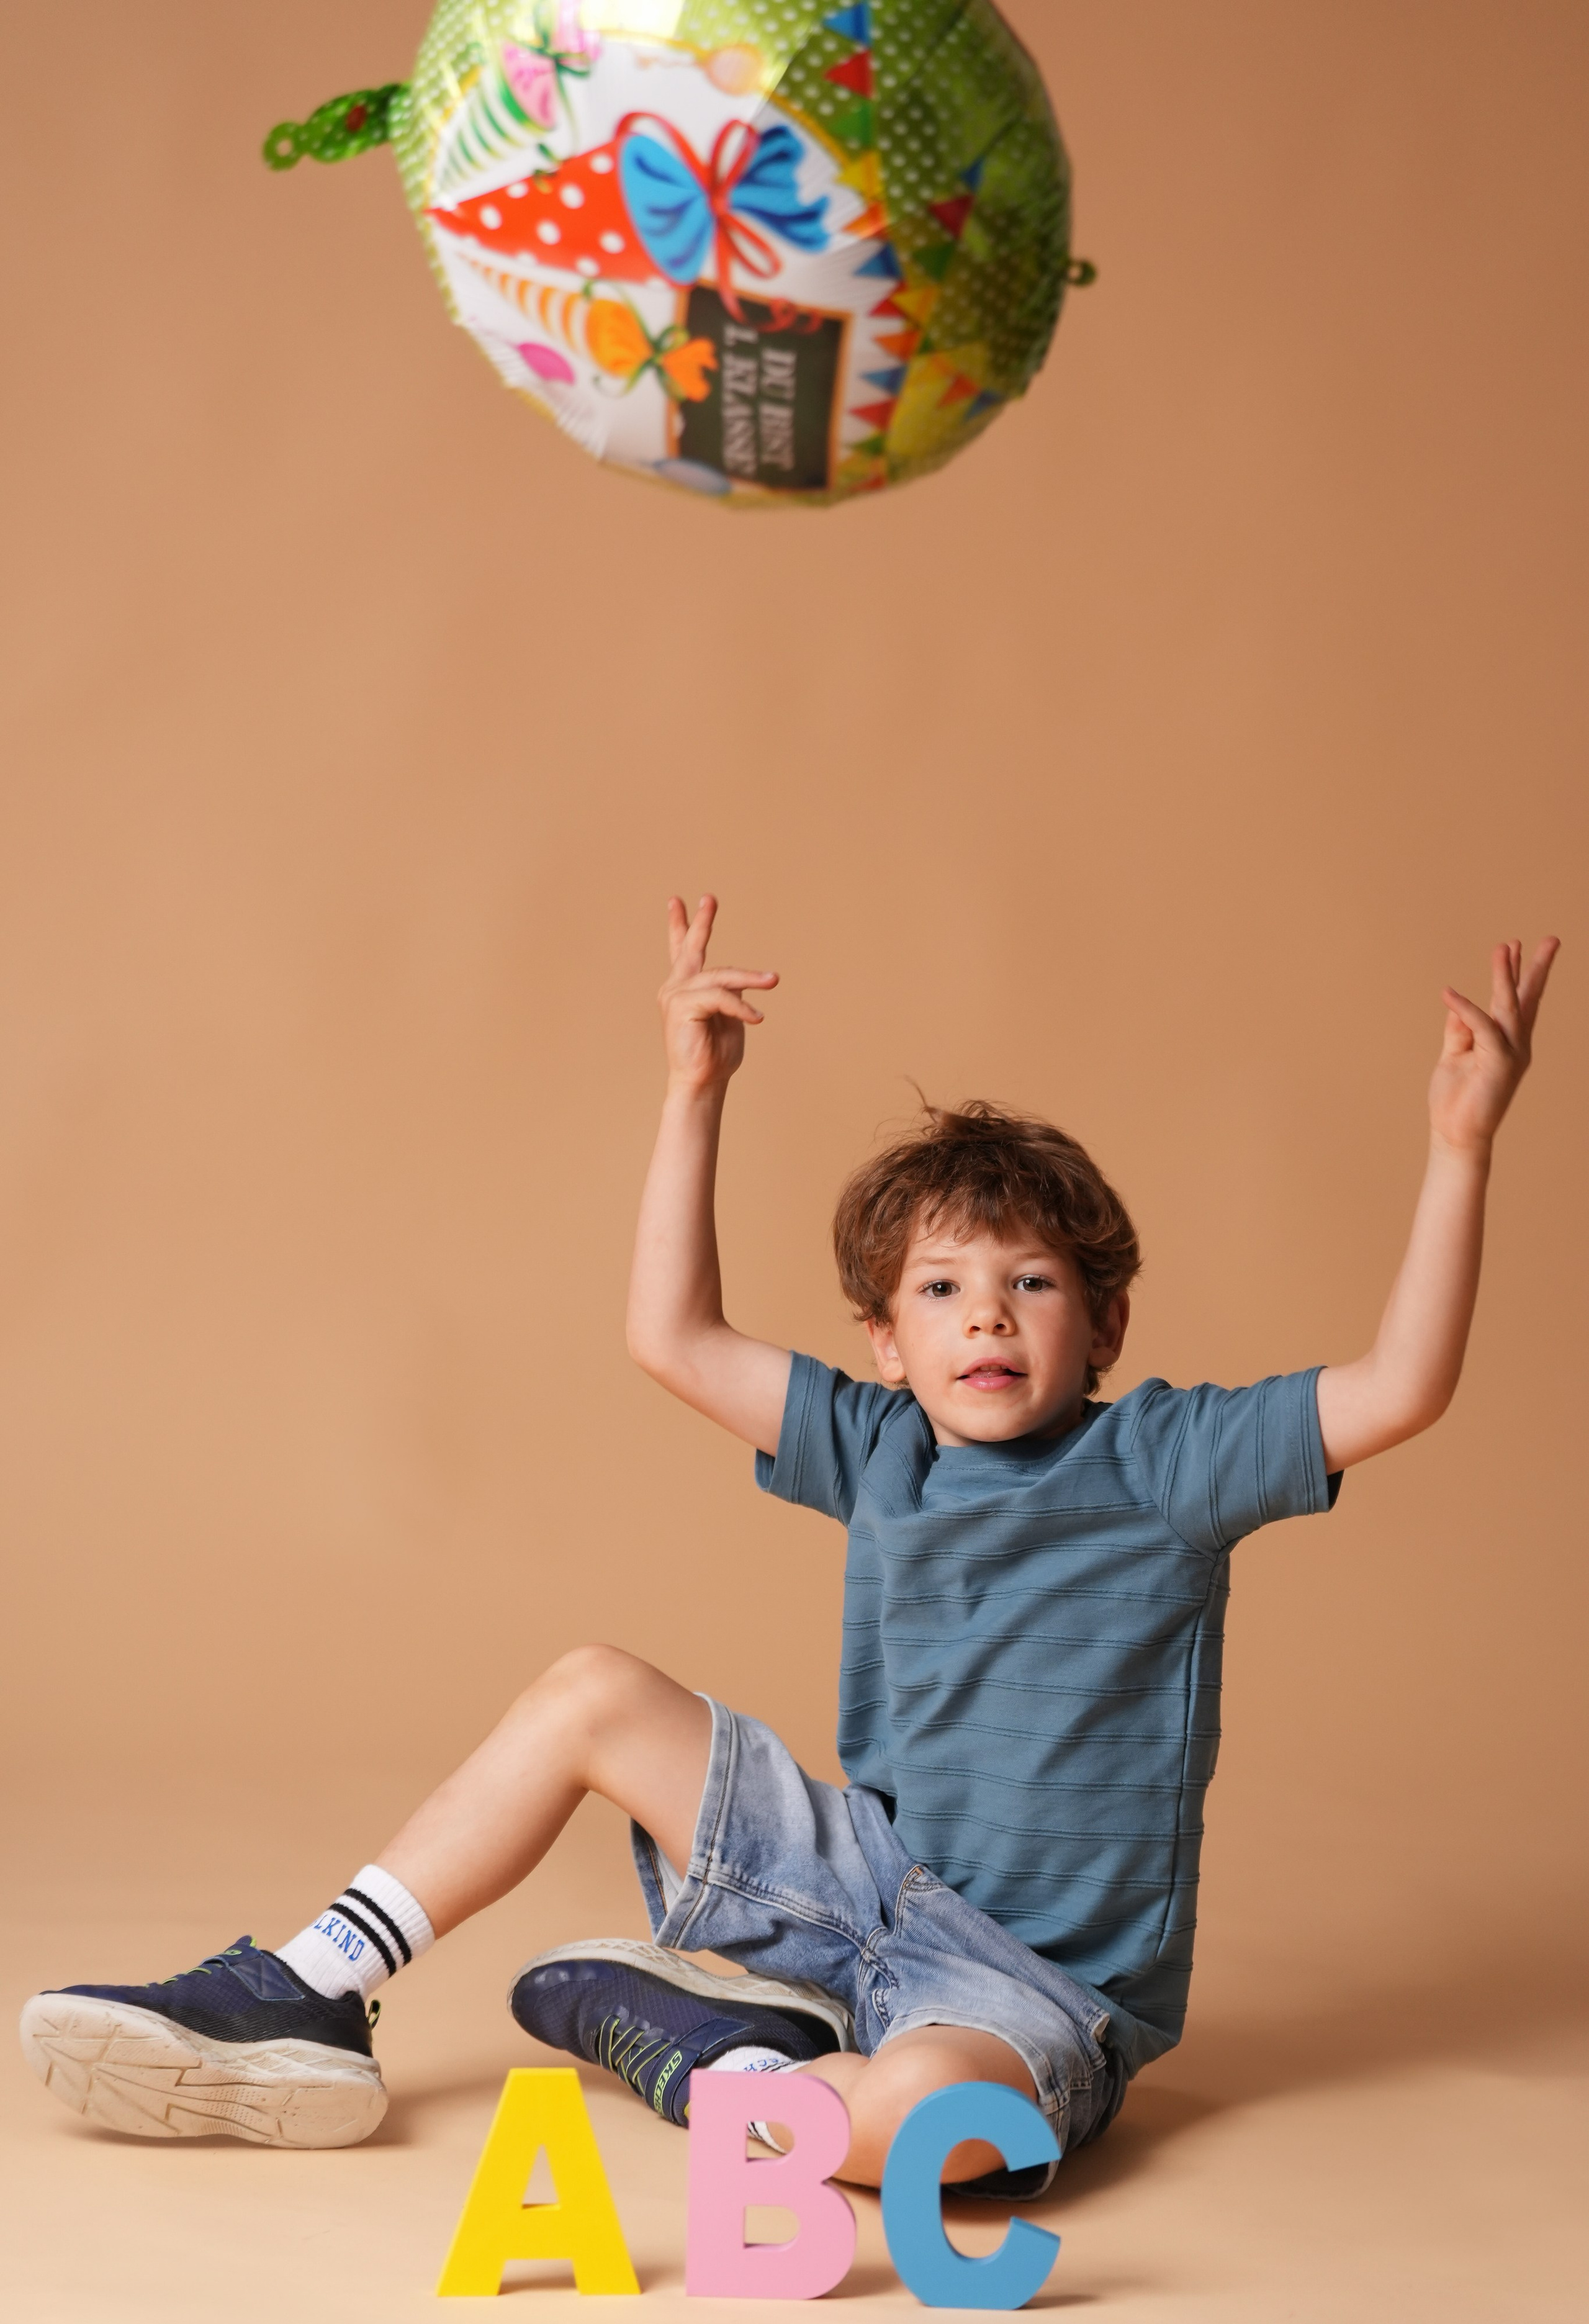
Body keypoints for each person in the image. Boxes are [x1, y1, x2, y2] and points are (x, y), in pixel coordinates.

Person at [20, 903, 1558, 2194]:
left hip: (1025, 1989)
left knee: (935, 2135)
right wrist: (693, 1094)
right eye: (943, 1292)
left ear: (1103, 1325)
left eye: (1030, 1284)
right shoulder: (879, 1447)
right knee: (586, 1690)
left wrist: (1459, 1148)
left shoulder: (1167, 1461)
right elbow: (669, 1333)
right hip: (859, 1889)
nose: (989, 1318)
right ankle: (306, 1990)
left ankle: (728, 2064)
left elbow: (1398, 1389)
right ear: (884, 1344)